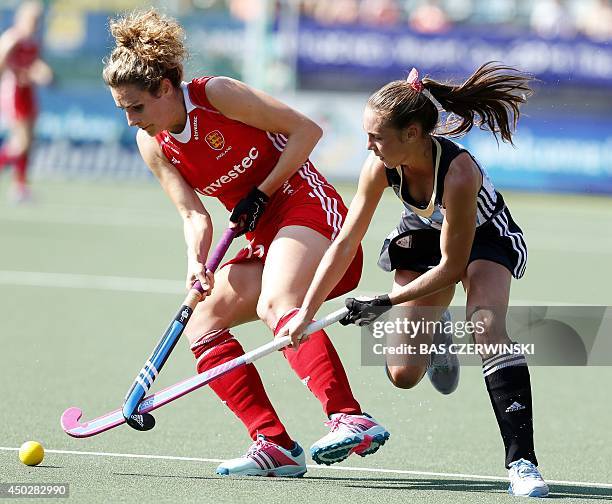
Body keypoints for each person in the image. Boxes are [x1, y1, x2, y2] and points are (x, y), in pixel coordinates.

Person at [102, 9, 389, 478]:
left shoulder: (216, 95)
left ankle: (349, 416)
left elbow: (307, 130)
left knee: (279, 302)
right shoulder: (153, 144)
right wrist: (197, 265)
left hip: (305, 206)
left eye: (136, 107)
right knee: (203, 320)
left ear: (165, 89)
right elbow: (194, 215)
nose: (132, 121)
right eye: (123, 111)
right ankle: (274, 443)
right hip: (261, 234)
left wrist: (263, 190)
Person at [283, 63, 549, 497]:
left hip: (484, 239)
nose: (368, 146)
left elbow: (452, 265)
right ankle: (436, 330)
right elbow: (346, 240)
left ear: (411, 134)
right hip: (423, 237)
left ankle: (522, 461)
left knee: (484, 324)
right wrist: (304, 312)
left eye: (376, 137)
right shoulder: (380, 166)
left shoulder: (459, 174)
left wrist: (386, 302)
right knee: (404, 375)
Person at [0, 1, 52, 203]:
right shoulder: (12, 38)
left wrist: (42, 73)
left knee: (28, 143)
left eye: (38, 20)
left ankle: (20, 186)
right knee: (20, 143)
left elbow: (32, 66)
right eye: (33, 19)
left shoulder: (33, 41)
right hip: (13, 92)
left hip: (28, 92)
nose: (36, 23)